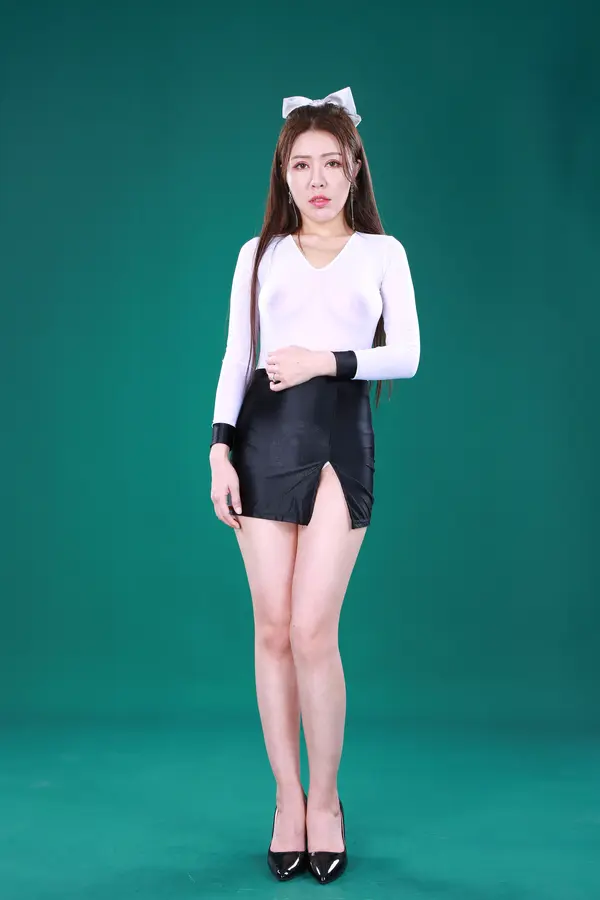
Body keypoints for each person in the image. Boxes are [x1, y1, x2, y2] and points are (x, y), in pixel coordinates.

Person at [209, 86, 421, 885]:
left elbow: (407, 354)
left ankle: (327, 799)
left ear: (355, 168)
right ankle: (287, 800)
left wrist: (326, 360)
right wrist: (219, 450)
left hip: (338, 438)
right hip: (262, 440)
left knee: (310, 629)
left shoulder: (383, 252)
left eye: (332, 162)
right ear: (284, 173)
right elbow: (236, 356)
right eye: (302, 165)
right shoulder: (257, 253)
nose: (318, 179)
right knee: (270, 627)